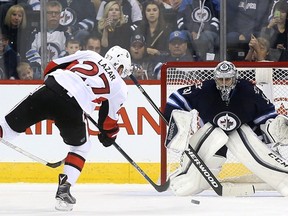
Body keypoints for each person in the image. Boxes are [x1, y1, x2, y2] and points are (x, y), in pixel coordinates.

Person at [0, 45, 132, 211]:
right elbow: (109, 122)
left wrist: (52, 89)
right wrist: (109, 136)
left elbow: (52, 65)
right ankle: (64, 191)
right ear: (120, 68)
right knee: (81, 148)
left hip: (50, 89)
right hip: (73, 108)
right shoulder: (120, 87)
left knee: (7, 129)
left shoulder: (90, 55)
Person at [163, 61, 288, 197]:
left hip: (243, 131)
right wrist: (178, 122)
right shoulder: (205, 89)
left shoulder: (248, 90)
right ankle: (186, 173)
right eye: (220, 79)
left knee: (257, 153)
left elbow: (265, 112)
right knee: (196, 182)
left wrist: (270, 128)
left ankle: (284, 180)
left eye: (227, 79)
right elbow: (177, 99)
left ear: (234, 78)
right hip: (211, 134)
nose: (223, 83)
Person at [25, 1, 68, 74]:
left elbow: (67, 52)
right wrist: (41, 64)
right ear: (44, 14)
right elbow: (30, 51)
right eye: (50, 13)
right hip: (39, 72)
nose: (53, 15)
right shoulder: (35, 33)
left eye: (56, 13)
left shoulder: (66, 34)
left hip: (60, 72)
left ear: (60, 15)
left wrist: (55, 65)